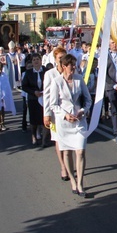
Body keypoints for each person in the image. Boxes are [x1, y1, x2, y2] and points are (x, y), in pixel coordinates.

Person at [49, 53, 92, 197]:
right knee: (66, 152)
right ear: (64, 66)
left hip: (79, 122)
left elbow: (88, 100)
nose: (73, 67)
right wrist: (65, 115)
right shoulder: (57, 82)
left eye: (74, 64)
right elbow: (53, 104)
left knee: (80, 151)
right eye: (71, 65)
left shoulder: (79, 80)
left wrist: (82, 111)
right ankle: (73, 181)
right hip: (64, 123)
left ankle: (80, 183)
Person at [43, 46, 71, 180]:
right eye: (60, 58)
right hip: (55, 113)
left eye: (64, 58)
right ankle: (63, 167)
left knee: (69, 140)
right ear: (55, 60)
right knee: (59, 140)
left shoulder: (70, 72)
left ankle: (69, 163)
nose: (62, 61)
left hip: (69, 113)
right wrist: (46, 113)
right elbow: (47, 95)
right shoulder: (50, 74)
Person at [21, 54, 47, 146]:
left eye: (37, 59)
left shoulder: (46, 71)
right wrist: (34, 92)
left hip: (44, 98)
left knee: (44, 119)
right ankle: (34, 135)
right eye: (34, 60)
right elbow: (24, 86)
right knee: (34, 120)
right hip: (33, 98)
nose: (36, 61)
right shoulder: (28, 73)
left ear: (41, 61)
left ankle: (44, 140)